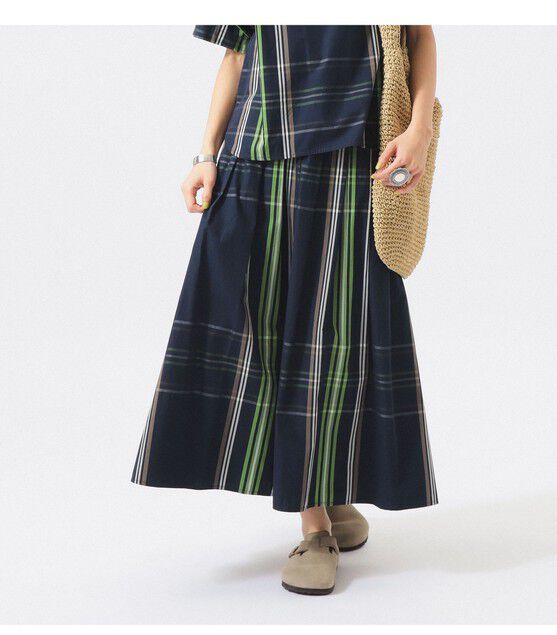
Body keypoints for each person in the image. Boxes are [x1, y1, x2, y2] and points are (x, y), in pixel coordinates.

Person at [132, 25, 438, 595]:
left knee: (338, 337)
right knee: (264, 333)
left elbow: (418, 35)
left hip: (355, 162)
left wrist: (419, 129)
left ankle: (325, 487)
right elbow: (236, 54)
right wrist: (206, 155)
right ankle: (315, 523)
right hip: (257, 160)